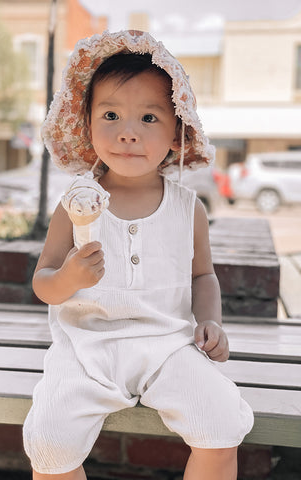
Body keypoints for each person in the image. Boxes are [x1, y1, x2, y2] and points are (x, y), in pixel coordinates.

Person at [23, 30, 254, 480]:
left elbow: (203, 277)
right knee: (49, 443)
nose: (128, 133)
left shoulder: (189, 209)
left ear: (176, 133)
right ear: (87, 124)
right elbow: (44, 282)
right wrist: (68, 277)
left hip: (168, 346)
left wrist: (211, 322)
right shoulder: (75, 203)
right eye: (111, 114)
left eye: (149, 118)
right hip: (86, 350)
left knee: (222, 423)